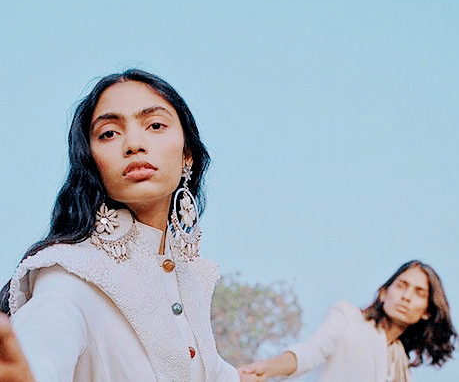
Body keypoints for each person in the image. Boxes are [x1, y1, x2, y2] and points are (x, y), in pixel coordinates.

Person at [0, 70, 257, 382]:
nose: (134, 144)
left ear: (187, 154)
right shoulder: (72, 274)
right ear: (92, 162)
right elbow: (45, 340)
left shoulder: (189, 279)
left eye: (155, 125)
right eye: (109, 133)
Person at [239, 260, 457, 382]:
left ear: (427, 312)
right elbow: (312, 351)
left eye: (419, 292)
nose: (406, 296)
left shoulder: (403, 369)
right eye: (401, 285)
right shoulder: (348, 318)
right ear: (383, 293)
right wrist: (266, 368)